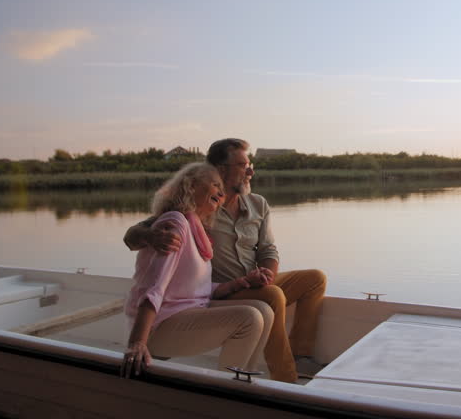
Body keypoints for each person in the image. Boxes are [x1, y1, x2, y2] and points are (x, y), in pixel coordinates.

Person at [123, 139, 327, 383]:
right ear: (220, 169)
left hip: (250, 282)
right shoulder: (198, 206)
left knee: (314, 279)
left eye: (250, 164)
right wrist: (150, 236)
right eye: (242, 165)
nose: (250, 171)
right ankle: (286, 377)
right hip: (223, 291)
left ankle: (301, 356)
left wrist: (266, 275)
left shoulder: (257, 204)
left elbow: (269, 250)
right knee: (272, 297)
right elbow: (133, 237)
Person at [122, 162, 273, 378]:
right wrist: (136, 343)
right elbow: (153, 288)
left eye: (222, 188)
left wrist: (241, 282)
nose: (221, 192)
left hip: (187, 313)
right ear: (191, 186)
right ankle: (226, 389)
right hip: (158, 328)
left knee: (264, 310)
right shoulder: (175, 223)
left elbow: (197, 289)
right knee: (249, 318)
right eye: (214, 184)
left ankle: (242, 378)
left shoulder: (196, 230)